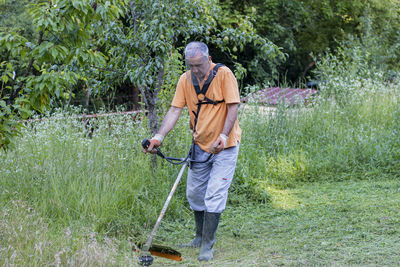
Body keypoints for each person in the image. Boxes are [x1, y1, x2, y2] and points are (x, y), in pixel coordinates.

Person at [143, 41, 241, 261]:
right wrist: (158, 137)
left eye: (198, 65)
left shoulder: (225, 75)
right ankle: (198, 236)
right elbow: (175, 110)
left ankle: (207, 245)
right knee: (195, 194)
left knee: (214, 193)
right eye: (190, 65)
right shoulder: (185, 80)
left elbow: (233, 106)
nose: (194, 70)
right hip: (199, 145)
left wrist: (223, 136)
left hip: (225, 146)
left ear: (208, 59)